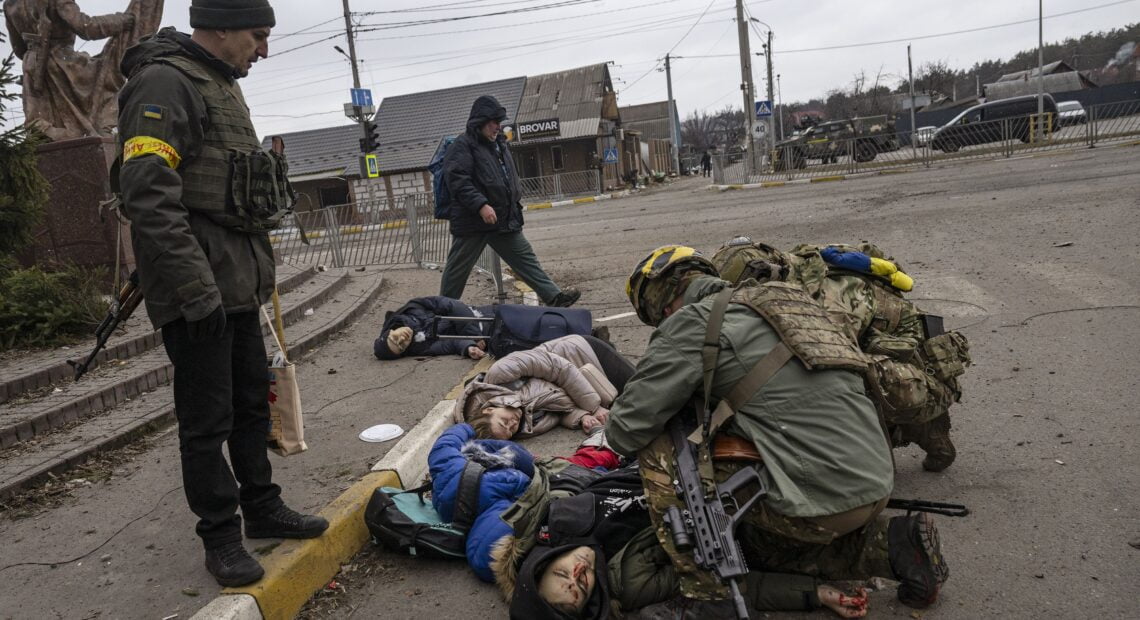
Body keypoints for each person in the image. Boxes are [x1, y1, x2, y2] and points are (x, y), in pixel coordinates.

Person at [601, 246, 949, 613]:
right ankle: (893, 544)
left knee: (663, 442)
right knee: (756, 547)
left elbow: (624, 431)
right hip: (875, 476)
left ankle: (708, 596)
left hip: (824, 500)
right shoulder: (787, 298)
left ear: (663, 304)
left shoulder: (689, 324)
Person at [116, 0, 327, 588]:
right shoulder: (163, 81)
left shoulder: (219, 84)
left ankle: (261, 508)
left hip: (235, 283)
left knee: (249, 407)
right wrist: (194, 290)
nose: (264, 50)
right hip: (197, 290)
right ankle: (221, 536)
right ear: (223, 27)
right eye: (258, 36)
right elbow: (148, 196)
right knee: (206, 422)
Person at [711, 237, 971, 471]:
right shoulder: (794, 273)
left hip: (918, 378)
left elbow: (832, 366)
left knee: (828, 382)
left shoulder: (831, 298)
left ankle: (922, 430)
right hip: (885, 358)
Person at [439, 95, 579, 308]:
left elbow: (504, 177)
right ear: (480, 121)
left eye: (500, 122)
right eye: (494, 122)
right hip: (473, 221)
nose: (498, 126)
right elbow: (457, 180)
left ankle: (554, 296)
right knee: (457, 270)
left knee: (525, 258)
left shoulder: (499, 145)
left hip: (502, 218)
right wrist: (480, 205)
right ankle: (441, 309)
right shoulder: (463, 145)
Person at [452, 335, 633, 439]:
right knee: (635, 412)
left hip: (583, 354)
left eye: (505, 422)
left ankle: (601, 341)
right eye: (510, 431)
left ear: (488, 409)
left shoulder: (501, 373)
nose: (513, 424)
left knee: (648, 391)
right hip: (597, 387)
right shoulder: (523, 428)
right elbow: (557, 409)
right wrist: (582, 417)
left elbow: (560, 368)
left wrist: (594, 407)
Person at [373, 295, 493, 361]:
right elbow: (450, 344)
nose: (402, 339)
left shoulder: (412, 307)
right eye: (401, 346)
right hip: (489, 335)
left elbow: (449, 304)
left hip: (479, 316)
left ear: (390, 331)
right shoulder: (419, 348)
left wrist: (474, 334)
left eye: (394, 338)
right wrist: (469, 347)